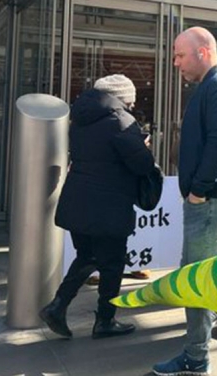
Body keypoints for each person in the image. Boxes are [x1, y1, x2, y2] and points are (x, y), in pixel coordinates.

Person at [152, 27, 217, 376]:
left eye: (180, 55)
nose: (176, 63)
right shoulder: (215, 87)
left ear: (203, 52)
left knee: (195, 281)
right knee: (199, 279)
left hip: (208, 203)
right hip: (207, 202)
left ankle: (195, 359)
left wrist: (199, 190)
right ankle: (195, 355)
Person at [39, 74, 155, 339]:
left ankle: (57, 306)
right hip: (109, 205)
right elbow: (142, 165)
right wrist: (144, 146)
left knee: (88, 255)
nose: (133, 105)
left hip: (79, 200)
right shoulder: (122, 121)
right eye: (131, 99)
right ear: (123, 98)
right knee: (113, 264)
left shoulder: (79, 119)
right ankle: (105, 320)